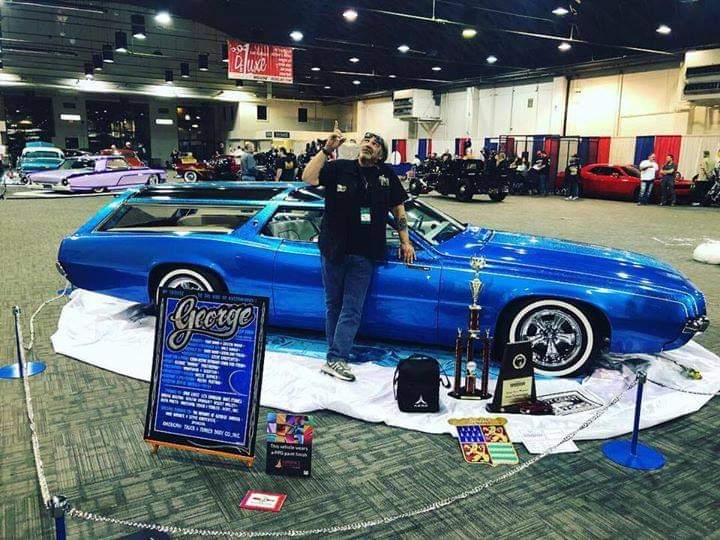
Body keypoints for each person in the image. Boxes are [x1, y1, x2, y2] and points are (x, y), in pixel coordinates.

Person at [302, 122, 414, 382]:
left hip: (365, 252)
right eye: (367, 140)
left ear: (381, 154)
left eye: (375, 143)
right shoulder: (339, 167)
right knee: (333, 304)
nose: (369, 144)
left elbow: (399, 210)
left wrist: (405, 242)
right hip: (333, 249)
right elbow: (308, 177)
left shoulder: (387, 176)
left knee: (352, 308)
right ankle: (336, 357)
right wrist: (326, 149)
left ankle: (336, 357)